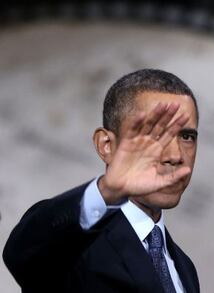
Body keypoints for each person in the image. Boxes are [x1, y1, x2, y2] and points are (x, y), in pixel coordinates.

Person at [3, 69, 200, 293]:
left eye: (187, 137)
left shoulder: (184, 268)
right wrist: (106, 190)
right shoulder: (72, 244)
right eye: (155, 133)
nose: (175, 155)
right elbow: (22, 251)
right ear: (106, 145)